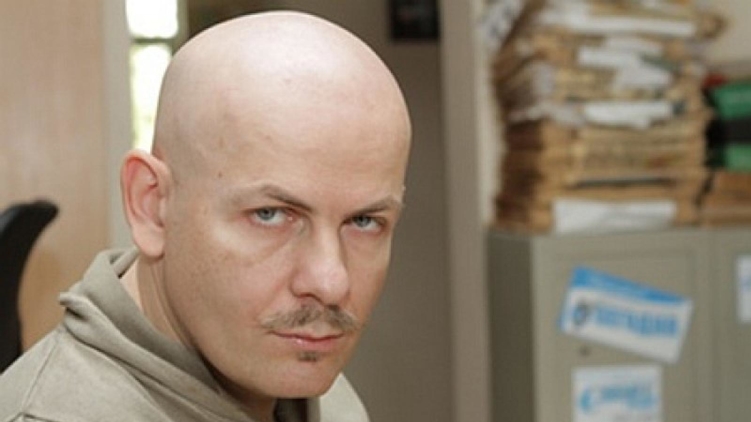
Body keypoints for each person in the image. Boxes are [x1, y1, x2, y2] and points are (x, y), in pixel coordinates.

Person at [0, 10, 411, 422]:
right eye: (270, 214)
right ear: (152, 205)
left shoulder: (299, 370)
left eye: (364, 221)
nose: (331, 283)